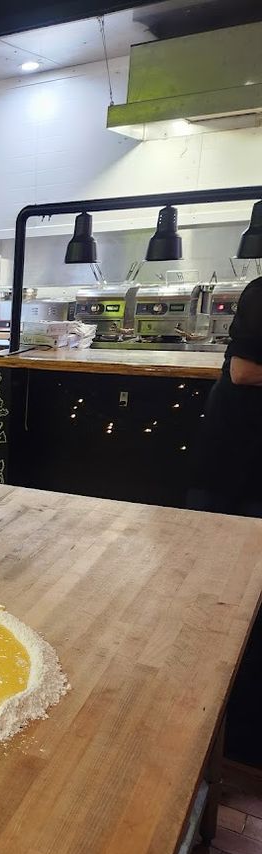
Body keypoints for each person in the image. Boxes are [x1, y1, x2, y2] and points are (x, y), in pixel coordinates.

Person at [187, 274, 262, 765]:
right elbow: (244, 370)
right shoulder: (261, 294)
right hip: (237, 449)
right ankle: (209, 706)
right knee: (222, 568)